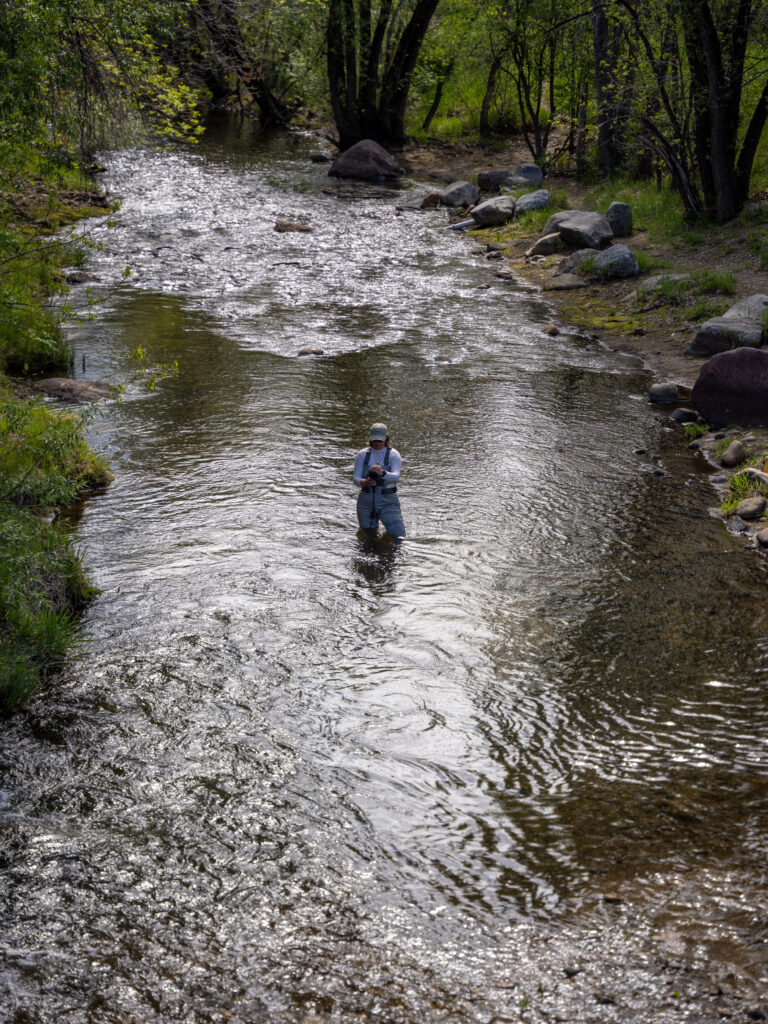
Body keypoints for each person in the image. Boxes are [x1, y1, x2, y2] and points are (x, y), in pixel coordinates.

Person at [353, 423, 405, 539]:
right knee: (367, 535)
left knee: (399, 536)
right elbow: (355, 478)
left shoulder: (394, 454)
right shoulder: (362, 454)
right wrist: (364, 482)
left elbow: (396, 477)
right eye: (374, 440)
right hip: (366, 500)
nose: (376, 443)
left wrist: (382, 473)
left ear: (386, 439)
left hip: (388, 500)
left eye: (380, 440)